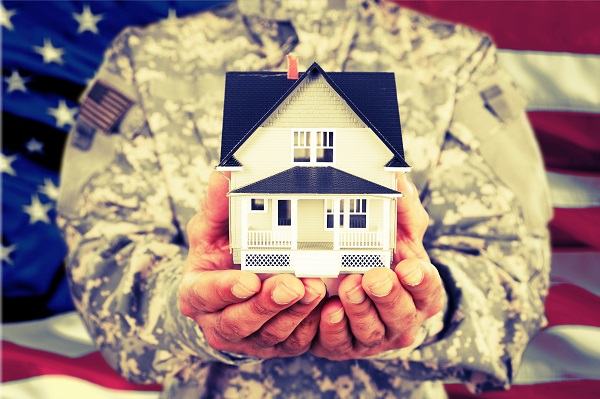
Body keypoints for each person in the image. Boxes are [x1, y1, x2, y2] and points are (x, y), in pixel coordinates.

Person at [57, 0, 553, 398]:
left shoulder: (455, 62)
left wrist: (424, 307)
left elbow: (513, 276)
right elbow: (101, 262)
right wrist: (191, 309)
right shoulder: (148, 61)